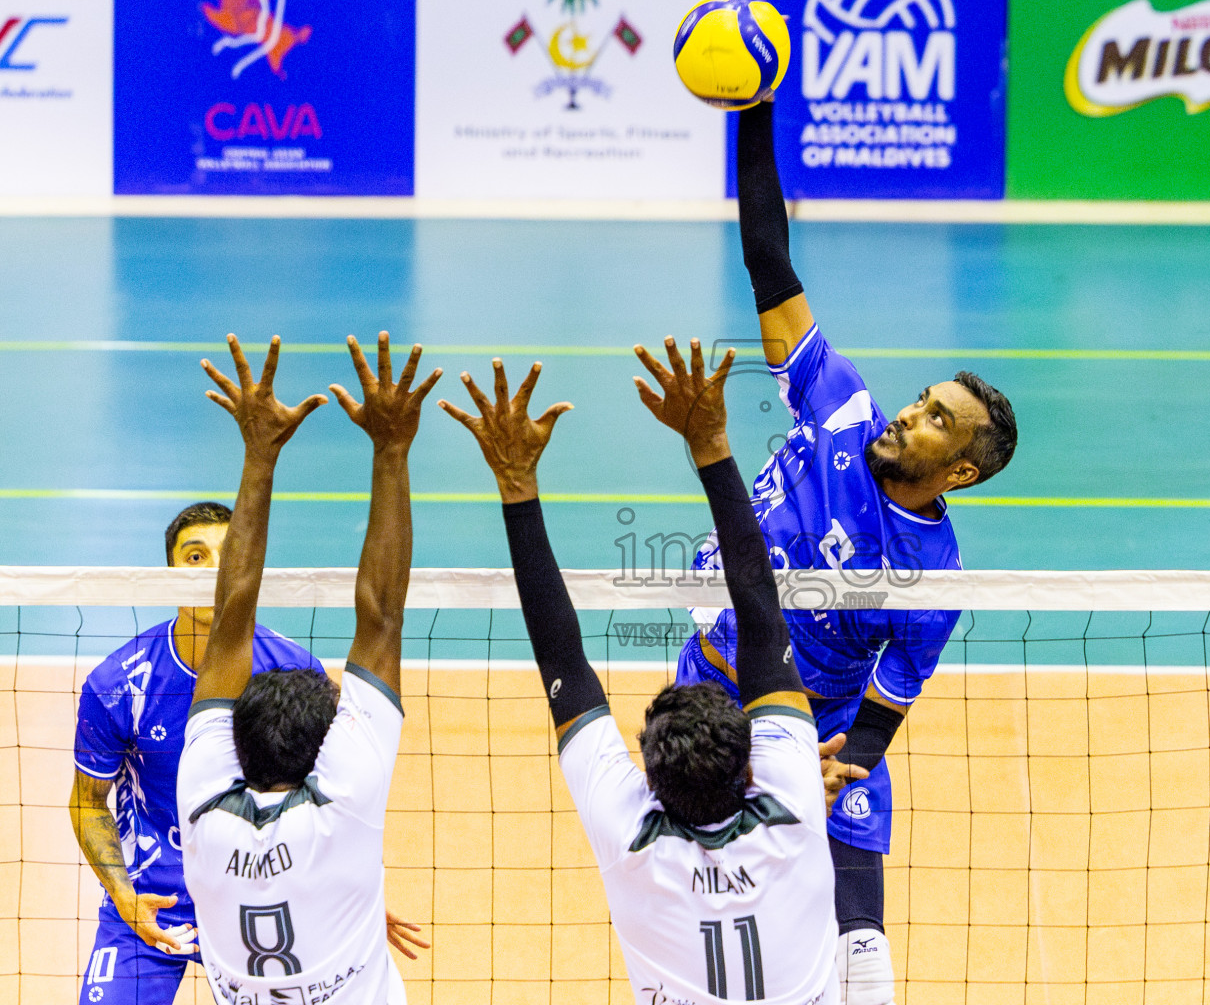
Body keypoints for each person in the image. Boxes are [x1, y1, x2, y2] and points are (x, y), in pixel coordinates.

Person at [675, 98, 1020, 1005]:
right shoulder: (839, 407)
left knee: (863, 957)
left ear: (962, 473)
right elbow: (766, 260)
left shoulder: (928, 584)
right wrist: (753, 110)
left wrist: (832, 765)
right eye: (923, 398)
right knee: (710, 917)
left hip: (819, 732)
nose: (913, 412)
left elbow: (881, 714)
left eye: (940, 419)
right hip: (710, 694)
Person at [439, 339, 863, 1005]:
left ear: (650, 783)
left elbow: (562, 662)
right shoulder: (794, 797)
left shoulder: (636, 833)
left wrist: (516, 485)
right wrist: (712, 445)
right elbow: (759, 604)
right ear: (749, 770)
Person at [69, 502, 429, 1005]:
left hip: (261, 891)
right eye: (195, 557)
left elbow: (331, 797)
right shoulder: (118, 685)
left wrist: (350, 893)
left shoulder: (293, 672)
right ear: (169, 573)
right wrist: (124, 897)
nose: (214, 571)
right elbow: (87, 801)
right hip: (149, 898)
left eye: (227, 555)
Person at [174, 333, 439, 1004]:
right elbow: (380, 616)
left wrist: (258, 458)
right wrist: (392, 449)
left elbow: (229, 619)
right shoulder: (339, 802)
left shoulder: (205, 800)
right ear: (323, 751)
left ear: (236, 743)